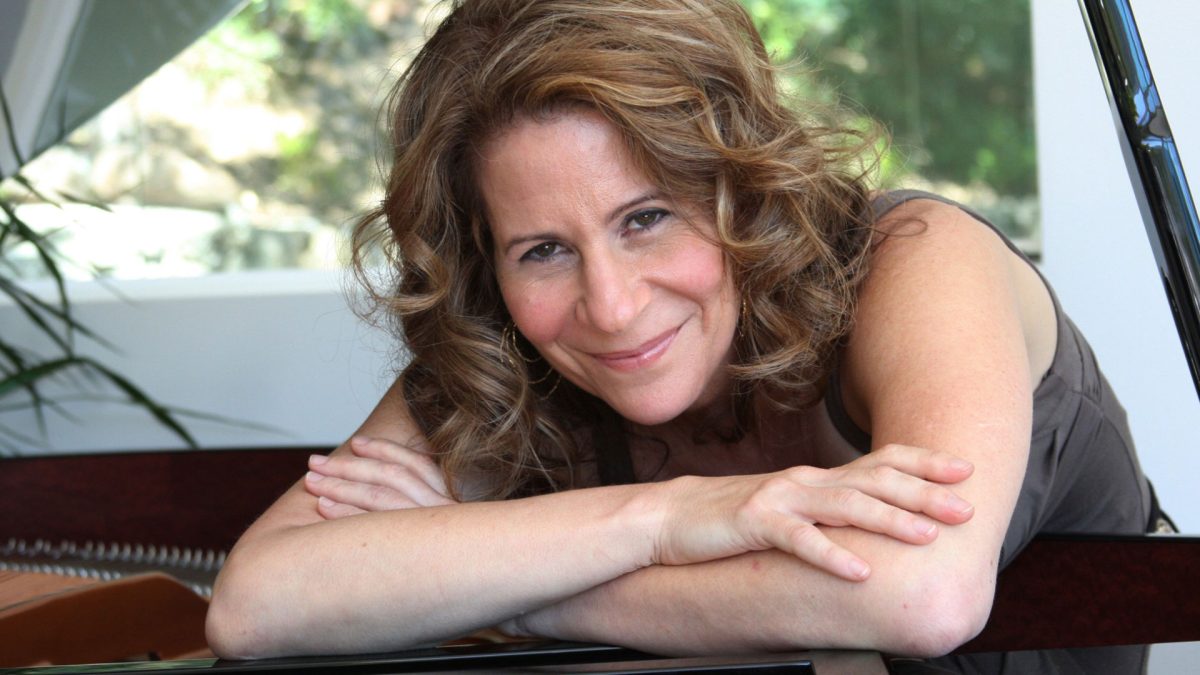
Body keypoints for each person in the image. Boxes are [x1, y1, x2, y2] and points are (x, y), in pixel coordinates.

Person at [205, 0, 1162, 660]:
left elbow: (920, 594)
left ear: (743, 185)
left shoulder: (913, 259)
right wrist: (667, 520)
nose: (611, 306)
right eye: (542, 249)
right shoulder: (507, 343)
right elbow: (259, 603)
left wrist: (482, 566)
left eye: (646, 218)